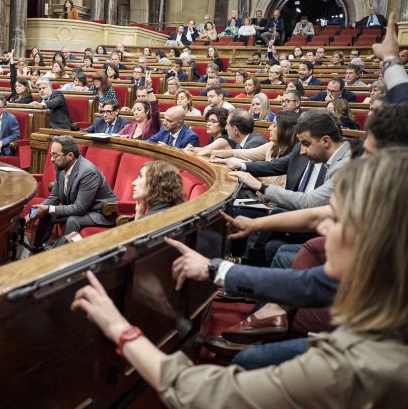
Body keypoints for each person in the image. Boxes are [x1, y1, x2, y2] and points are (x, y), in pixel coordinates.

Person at [72, 145, 408, 408]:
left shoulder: (360, 366)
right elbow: (313, 284)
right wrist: (217, 269)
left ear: (372, 241)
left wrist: (120, 330)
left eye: (335, 219)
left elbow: (203, 394)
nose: (322, 227)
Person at [232, 109, 351, 210]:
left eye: (306, 143)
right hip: (290, 211)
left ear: (325, 141)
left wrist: (261, 186)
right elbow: (275, 166)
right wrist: (240, 165)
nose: (302, 151)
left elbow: (309, 203)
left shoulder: (347, 165)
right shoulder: (304, 149)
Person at [30, 135, 118, 248]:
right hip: (85, 209)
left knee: (73, 220)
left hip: (101, 212)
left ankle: (65, 257)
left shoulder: (87, 172)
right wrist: (34, 212)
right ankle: (37, 248)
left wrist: (48, 208)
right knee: (47, 213)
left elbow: (79, 208)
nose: (51, 159)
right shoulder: (61, 167)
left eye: (55, 155)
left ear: (70, 155)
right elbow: (54, 197)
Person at [211, 110, 299, 187]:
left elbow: (282, 192)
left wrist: (255, 172)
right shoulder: (272, 146)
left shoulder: (295, 156)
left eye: (274, 125)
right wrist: (212, 152)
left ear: (286, 130)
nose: (269, 128)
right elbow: (241, 153)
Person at [119, 75, 160, 140]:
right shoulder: (128, 126)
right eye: (134, 110)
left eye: (139, 110)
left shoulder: (152, 125)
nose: (136, 112)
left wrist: (149, 90)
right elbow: (117, 137)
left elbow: (155, 111)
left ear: (147, 112)